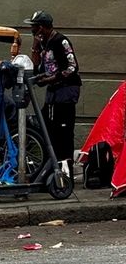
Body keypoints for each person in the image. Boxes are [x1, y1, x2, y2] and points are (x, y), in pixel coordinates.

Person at [24, 10, 82, 172]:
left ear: (41, 27)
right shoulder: (44, 42)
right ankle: (51, 165)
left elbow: (72, 67)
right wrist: (35, 47)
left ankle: (66, 168)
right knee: (46, 125)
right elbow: (37, 67)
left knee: (63, 129)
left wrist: (50, 79)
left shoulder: (61, 41)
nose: (32, 30)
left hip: (66, 90)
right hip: (52, 91)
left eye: (34, 27)